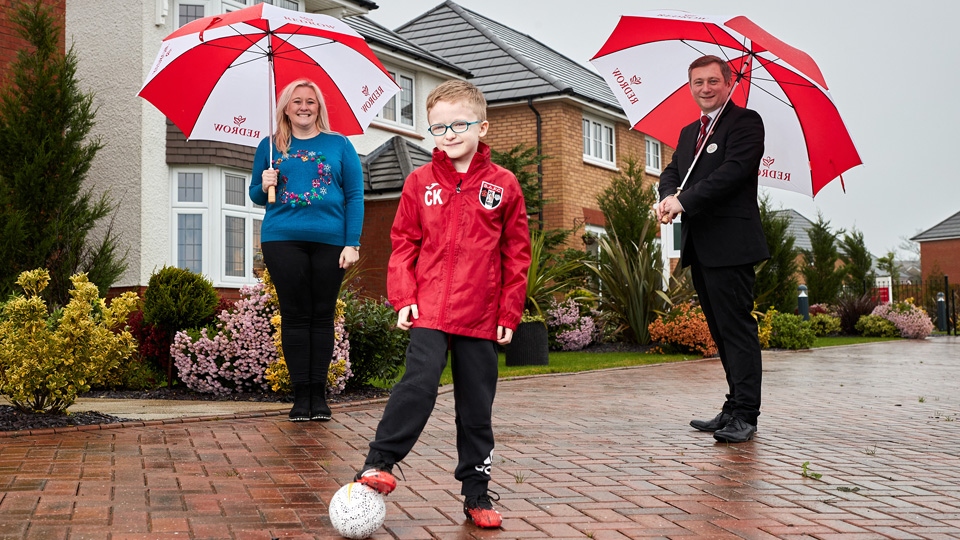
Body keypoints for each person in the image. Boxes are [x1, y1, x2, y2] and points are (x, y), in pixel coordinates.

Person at [352, 80, 531, 529]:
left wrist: (509, 312)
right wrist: (404, 298)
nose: (448, 134)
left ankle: (477, 494)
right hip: (429, 309)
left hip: (481, 316)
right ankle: (378, 463)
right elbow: (403, 244)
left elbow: (516, 252)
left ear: (482, 126)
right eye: (437, 127)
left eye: (458, 124)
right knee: (419, 384)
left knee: (476, 409)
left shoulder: (504, 185)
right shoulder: (419, 181)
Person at [656, 55, 768, 444]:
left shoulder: (746, 123)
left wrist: (684, 203)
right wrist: (667, 194)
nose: (705, 89)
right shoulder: (690, 132)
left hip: (732, 245)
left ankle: (746, 414)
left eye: (712, 81)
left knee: (737, 330)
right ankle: (732, 404)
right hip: (700, 246)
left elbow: (732, 172)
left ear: (728, 82)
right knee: (720, 332)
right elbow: (673, 170)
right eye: (697, 82)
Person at [249, 79, 363, 423]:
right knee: (296, 315)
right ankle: (301, 397)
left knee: (322, 315)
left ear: (319, 107)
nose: (303, 106)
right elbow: (255, 195)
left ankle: (319, 395)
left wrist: (352, 242)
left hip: (331, 240)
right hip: (282, 238)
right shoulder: (269, 147)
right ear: (286, 107)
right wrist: (263, 184)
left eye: (310, 101)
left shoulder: (339, 145)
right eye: (296, 101)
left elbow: (355, 195)